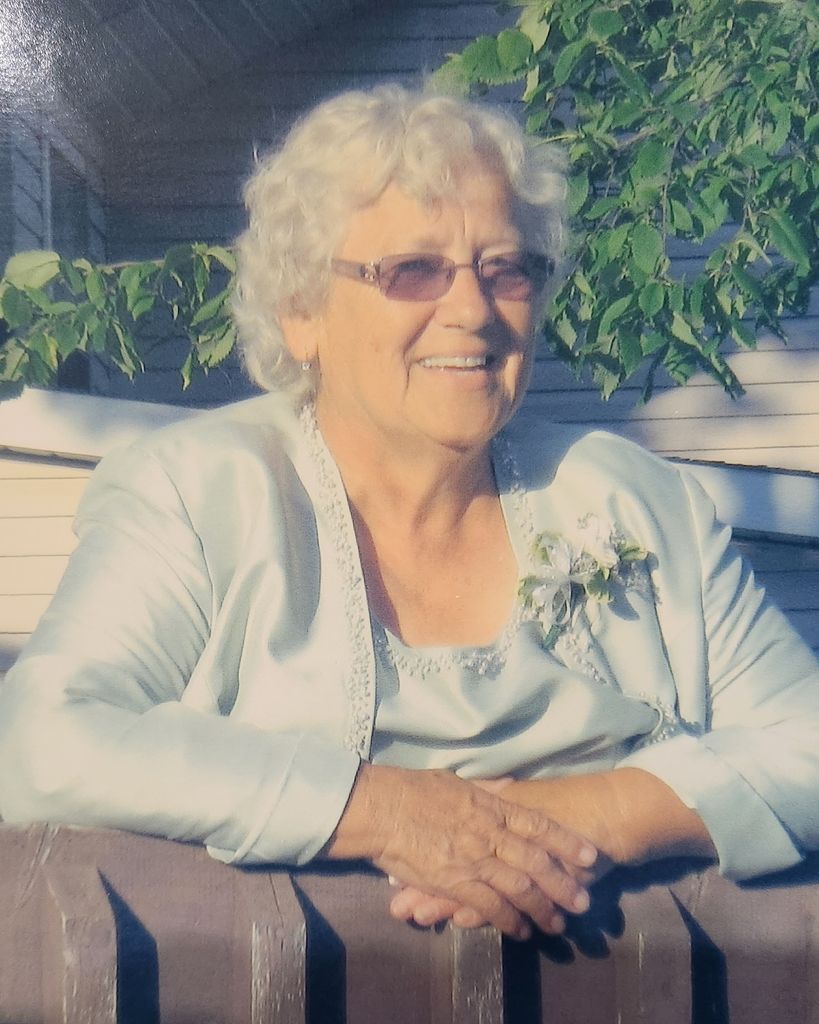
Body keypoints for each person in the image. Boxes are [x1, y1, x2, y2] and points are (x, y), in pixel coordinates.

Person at [1, 85, 818, 943]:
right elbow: (43, 741)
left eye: (505, 269)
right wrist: (387, 811)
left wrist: (594, 815)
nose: (472, 310)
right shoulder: (200, 492)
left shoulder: (636, 502)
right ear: (301, 313)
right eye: (412, 271)